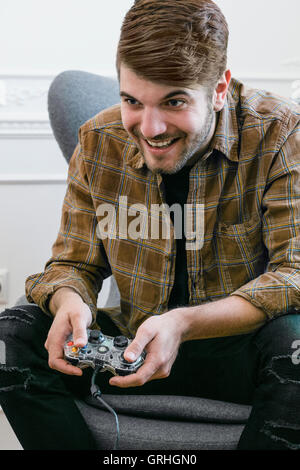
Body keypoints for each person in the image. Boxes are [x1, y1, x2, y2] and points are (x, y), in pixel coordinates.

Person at [1, 0, 300, 450]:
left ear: (219, 88)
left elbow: (295, 272)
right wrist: (71, 301)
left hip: (241, 355)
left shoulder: (281, 134)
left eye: (174, 101)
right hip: (130, 351)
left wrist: (183, 323)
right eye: (132, 101)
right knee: (10, 336)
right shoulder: (98, 140)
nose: (150, 127)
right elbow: (70, 263)